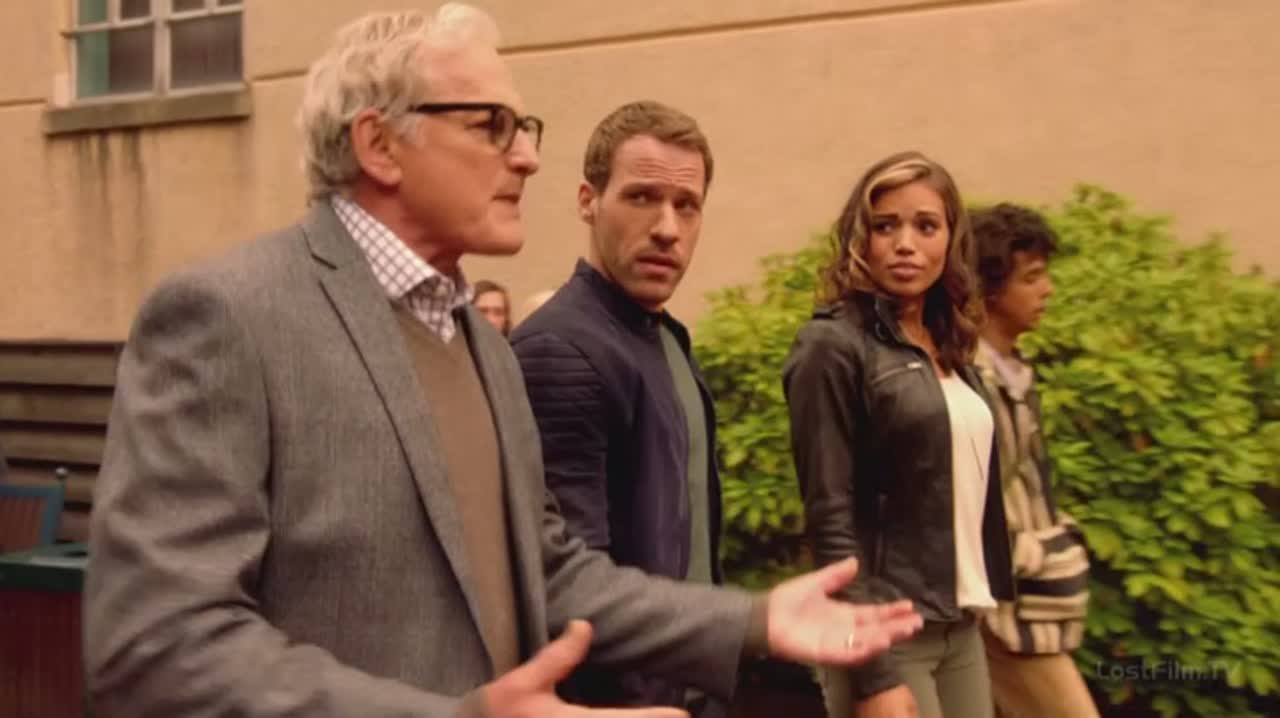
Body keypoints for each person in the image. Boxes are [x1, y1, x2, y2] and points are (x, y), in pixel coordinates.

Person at [83, 8, 923, 718]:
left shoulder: (484, 345)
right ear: (380, 144)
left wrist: (750, 623)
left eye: (524, 129)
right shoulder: (229, 316)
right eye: (491, 125)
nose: (525, 156)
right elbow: (158, 643)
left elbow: (548, 571)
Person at [783, 151, 1015, 718]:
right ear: (860, 238)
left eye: (926, 226)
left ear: (951, 240)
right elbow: (829, 514)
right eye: (885, 226)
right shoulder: (832, 345)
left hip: (960, 626)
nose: (905, 244)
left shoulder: (949, 346)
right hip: (885, 631)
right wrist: (873, 670)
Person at [511, 101, 724, 715]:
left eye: (686, 205)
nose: (667, 228)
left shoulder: (664, 337)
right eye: (641, 198)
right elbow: (573, 584)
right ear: (588, 201)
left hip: (691, 687)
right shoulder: (560, 349)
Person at [970, 203, 1098, 718]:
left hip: (1031, 605)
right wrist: (1029, 556)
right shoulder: (972, 381)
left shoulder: (1013, 370)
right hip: (1003, 610)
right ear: (988, 289)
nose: (1047, 290)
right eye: (1031, 278)